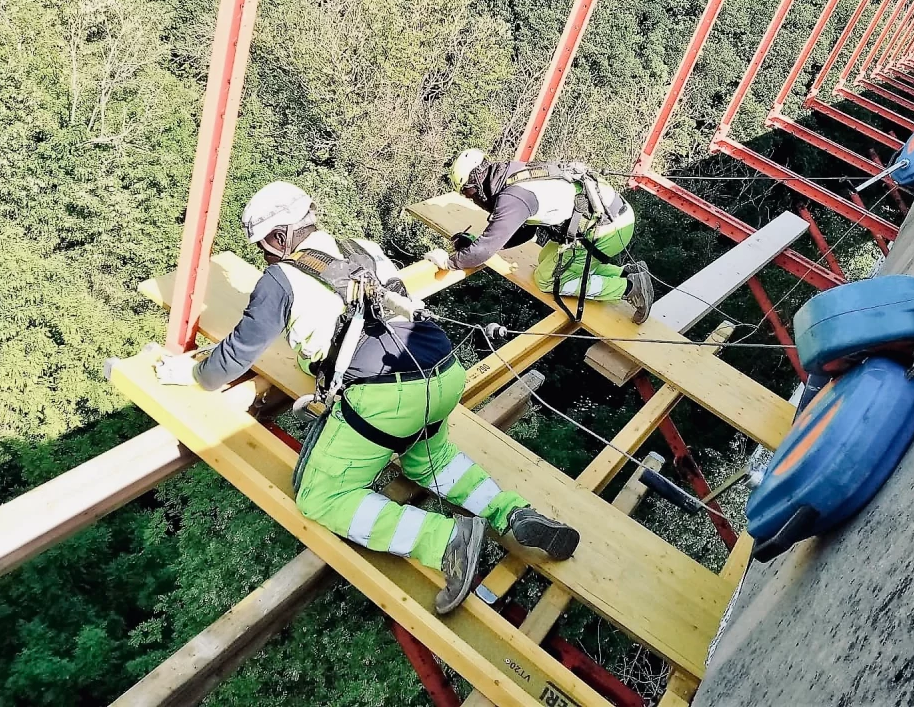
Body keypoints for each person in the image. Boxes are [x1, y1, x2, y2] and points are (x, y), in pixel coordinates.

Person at [154, 181, 580, 614]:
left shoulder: (279, 279)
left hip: (388, 400)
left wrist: (190, 372)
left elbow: (233, 358)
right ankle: (514, 515)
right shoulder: (361, 247)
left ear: (279, 237)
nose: (263, 256)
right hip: (443, 373)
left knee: (320, 496)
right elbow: (387, 310)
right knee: (432, 459)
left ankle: (445, 541)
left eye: (263, 246)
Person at [424, 149, 655, 323]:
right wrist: (474, 243)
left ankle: (629, 288)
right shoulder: (512, 172)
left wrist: (449, 261)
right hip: (615, 218)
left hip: (606, 233)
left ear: (476, 181)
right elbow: (521, 232)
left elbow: (485, 251)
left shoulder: (513, 198)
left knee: (547, 280)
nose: (470, 198)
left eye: (468, 191)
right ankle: (626, 272)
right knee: (547, 258)